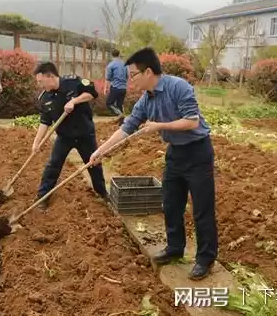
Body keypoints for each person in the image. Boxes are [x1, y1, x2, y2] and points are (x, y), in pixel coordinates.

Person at [90, 47, 218, 281]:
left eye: (133, 75)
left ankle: (205, 259)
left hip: (198, 152)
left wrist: (159, 126)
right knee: (170, 203)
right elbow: (126, 128)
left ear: (148, 72)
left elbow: (192, 122)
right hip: (175, 154)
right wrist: (100, 151)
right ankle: (174, 248)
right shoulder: (145, 100)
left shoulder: (178, 87)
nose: (131, 81)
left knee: (202, 209)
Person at [33, 61, 109, 210]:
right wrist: (36, 142)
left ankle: (102, 194)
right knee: (53, 165)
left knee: (94, 164)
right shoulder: (45, 98)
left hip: (84, 134)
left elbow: (92, 93)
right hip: (64, 137)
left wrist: (75, 100)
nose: (41, 85)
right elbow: (44, 122)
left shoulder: (73, 82)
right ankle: (43, 197)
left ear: (50, 76)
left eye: (41, 81)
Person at [104, 49, 128, 124]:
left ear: (112, 55)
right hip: (123, 88)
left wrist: (105, 88)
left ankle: (120, 114)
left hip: (115, 88)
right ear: (119, 54)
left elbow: (107, 78)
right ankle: (122, 123)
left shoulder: (111, 65)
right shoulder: (124, 64)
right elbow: (127, 76)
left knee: (109, 103)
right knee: (119, 105)